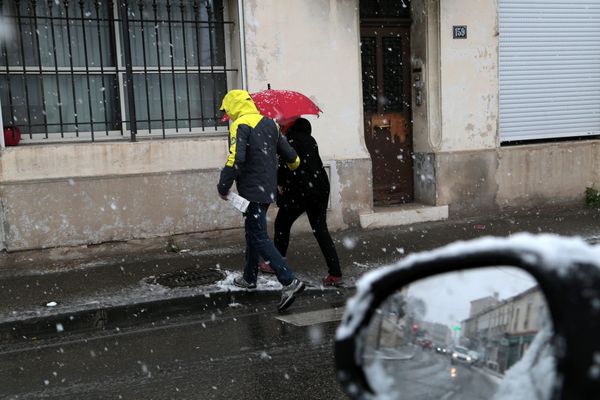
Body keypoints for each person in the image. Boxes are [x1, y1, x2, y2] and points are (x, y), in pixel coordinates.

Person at [217, 89, 305, 312]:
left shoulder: (240, 125)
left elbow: (236, 159)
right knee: (252, 232)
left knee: (258, 236)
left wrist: (223, 185)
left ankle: (289, 281)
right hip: (267, 191)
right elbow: (293, 159)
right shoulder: (271, 124)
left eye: (228, 110)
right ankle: (249, 278)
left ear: (234, 107)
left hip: (251, 191)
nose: (228, 115)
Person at [261, 118, 343, 287]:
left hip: (301, 190)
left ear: (290, 126)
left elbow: (287, 166)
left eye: (283, 125)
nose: (281, 126)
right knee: (320, 230)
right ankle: (335, 273)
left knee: (282, 223)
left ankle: (276, 263)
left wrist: (280, 183)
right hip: (319, 187)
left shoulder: (288, 141)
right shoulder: (310, 140)